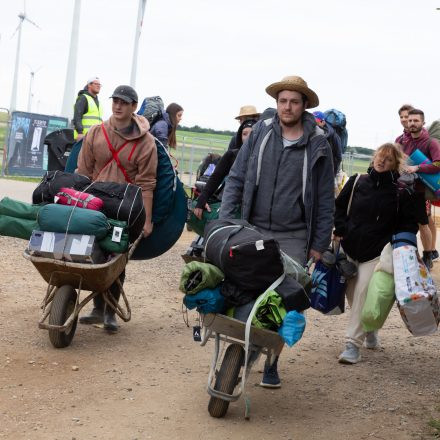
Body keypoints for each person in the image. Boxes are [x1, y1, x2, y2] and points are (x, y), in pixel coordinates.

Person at [220, 75, 335, 387]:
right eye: (283, 101)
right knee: (244, 283)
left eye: (294, 102)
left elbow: (325, 199)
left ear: (304, 106)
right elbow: (237, 176)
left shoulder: (318, 145)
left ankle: (272, 359)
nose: (287, 106)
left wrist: (319, 243)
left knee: (282, 297)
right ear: (277, 104)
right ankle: (243, 344)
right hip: (253, 225)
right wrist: (227, 218)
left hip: (294, 233)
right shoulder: (261, 132)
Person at [77, 85, 158, 332]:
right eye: (115, 101)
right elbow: (82, 172)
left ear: (134, 107)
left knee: (116, 258)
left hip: (125, 209)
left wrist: (146, 220)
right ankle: (96, 308)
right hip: (94, 203)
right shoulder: (96, 133)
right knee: (90, 254)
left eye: (124, 102)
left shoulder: (147, 143)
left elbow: (146, 185)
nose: (118, 105)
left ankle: (110, 311)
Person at [334, 143, 418, 364]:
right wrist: (340, 229)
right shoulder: (357, 181)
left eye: (388, 159)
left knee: (362, 295)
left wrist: (407, 249)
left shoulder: (401, 192)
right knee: (352, 295)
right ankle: (370, 328)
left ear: (396, 164)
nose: (382, 161)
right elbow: (339, 208)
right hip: (350, 248)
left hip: (377, 253)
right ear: (374, 157)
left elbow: (409, 224)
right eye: (380, 156)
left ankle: (352, 345)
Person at [399, 109, 440, 269]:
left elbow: (438, 164)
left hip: (421, 192)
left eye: (416, 121)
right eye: (409, 121)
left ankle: (428, 254)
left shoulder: (431, 143)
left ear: (423, 123)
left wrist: (417, 167)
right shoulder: (403, 141)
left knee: (423, 223)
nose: (412, 123)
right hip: (403, 189)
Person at [193, 119, 257, 219]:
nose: (248, 137)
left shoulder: (264, 159)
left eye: (252, 133)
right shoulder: (231, 155)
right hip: (231, 206)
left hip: (255, 210)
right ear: (240, 136)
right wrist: (201, 200)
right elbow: (215, 178)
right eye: (244, 134)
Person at [313, 110, 342, 176]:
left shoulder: (333, 136)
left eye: (316, 121)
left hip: (326, 173)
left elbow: (338, 157)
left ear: (323, 122)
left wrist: (333, 175)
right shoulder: (310, 132)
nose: (313, 123)